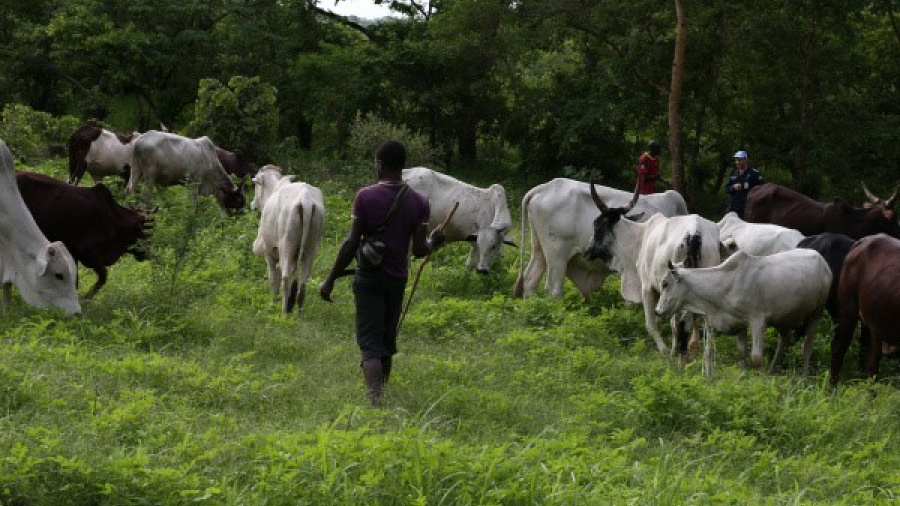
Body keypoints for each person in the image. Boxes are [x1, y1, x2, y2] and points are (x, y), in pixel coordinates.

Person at [319, 139, 445, 407]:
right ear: (402, 166)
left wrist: (330, 280)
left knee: (370, 343)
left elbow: (352, 242)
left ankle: (375, 403)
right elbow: (420, 250)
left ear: (380, 164)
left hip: (368, 278)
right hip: (397, 278)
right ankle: (381, 393)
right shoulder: (419, 203)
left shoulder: (365, 196)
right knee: (387, 339)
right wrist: (436, 242)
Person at [725, 150, 764, 218]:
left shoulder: (754, 174)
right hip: (733, 208)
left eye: (739, 160)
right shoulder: (733, 173)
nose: (737, 162)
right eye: (736, 160)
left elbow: (762, 189)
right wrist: (733, 187)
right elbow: (727, 189)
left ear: (745, 160)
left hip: (748, 209)